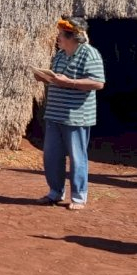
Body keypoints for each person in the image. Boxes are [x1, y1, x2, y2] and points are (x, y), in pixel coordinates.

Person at [34, 17, 105, 210]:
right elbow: (57, 79)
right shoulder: (60, 55)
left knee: (77, 157)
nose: (58, 38)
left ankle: (79, 197)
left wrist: (70, 82)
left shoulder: (89, 54)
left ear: (72, 37)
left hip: (76, 116)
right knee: (52, 156)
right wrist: (44, 78)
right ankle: (55, 192)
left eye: (61, 35)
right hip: (54, 114)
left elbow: (98, 83)